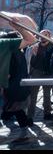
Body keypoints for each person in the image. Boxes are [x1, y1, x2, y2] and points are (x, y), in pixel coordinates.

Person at [0, 13, 37, 143]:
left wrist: (18, 27)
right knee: (16, 110)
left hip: (8, 87)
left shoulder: (4, 43)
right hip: (9, 88)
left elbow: (31, 40)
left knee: (17, 109)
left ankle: (24, 132)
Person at [27, 30, 53, 121]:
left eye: (45, 35)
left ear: (49, 36)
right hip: (36, 72)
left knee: (47, 95)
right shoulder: (35, 46)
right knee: (33, 95)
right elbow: (29, 60)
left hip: (48, 73)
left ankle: (47, 113)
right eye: (41, 35)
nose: (42, 37)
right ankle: (30, 116)